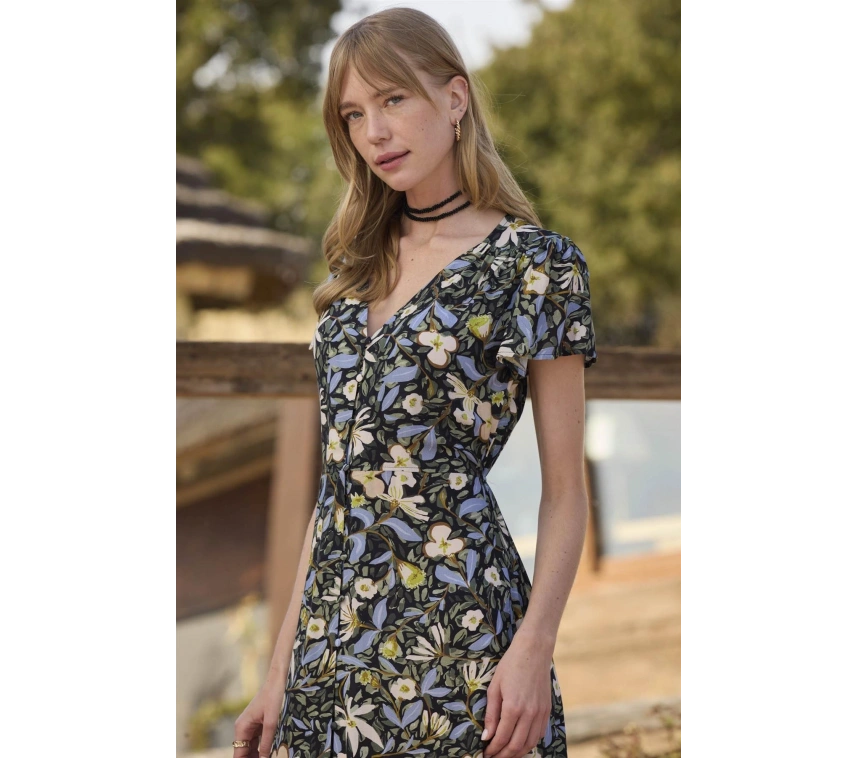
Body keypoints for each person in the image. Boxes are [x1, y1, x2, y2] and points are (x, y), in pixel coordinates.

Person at [233, 7, 597, 758]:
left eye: (393, 99)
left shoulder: (534, 267)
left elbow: (566, 492)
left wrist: (533, 649)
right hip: (329, 657)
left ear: (455, 99)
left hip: (457, 642)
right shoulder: (355, 273)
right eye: (353, 114)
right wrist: (277, 673)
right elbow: (339, 491)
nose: (374, 132)